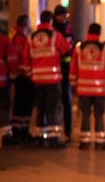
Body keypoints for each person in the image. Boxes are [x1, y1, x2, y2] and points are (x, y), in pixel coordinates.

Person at [22, 10, 71, 149]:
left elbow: (26, 58)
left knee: (41, 108)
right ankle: (53, 138)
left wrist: (30, 74)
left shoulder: (31, 37)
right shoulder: (55, 35)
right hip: (53, 79)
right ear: (50, 21)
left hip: (37, 79)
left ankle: (39, 137)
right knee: (53, 108)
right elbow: (66, 49)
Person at [69, 23, 105, 150]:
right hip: (99, 90)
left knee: (85, 115)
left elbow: (73, 69)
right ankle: (100, 142)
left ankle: (85, 141)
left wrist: (73, 85)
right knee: (99, 115)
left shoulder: (79, 48)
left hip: (83, 89)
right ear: (99, 33)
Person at [10, 14, 36, 146]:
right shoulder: (20, 39)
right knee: (22, 105)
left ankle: (23, 131)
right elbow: (22, 57)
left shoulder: (16, 37)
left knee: (24, 105)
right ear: (26, 24)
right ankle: (19, 132)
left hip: (21, 75)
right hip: (23, 76)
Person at [52, 5, 75, 143]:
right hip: (55, 67)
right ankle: (55, 130)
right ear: (56, 16)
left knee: (67, 100)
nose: (65, 17)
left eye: (66, 15)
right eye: (62, 15)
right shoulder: (53, 29)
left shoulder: (68, 27)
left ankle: (68, 131)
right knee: (55, 100)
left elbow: (70, 44)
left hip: (65, 67)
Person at [0, 26, 17, 148]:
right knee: (3, 107)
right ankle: (6, 136)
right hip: (0, 80)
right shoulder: (4, 40)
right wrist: (13, 77)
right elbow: (12, 60)